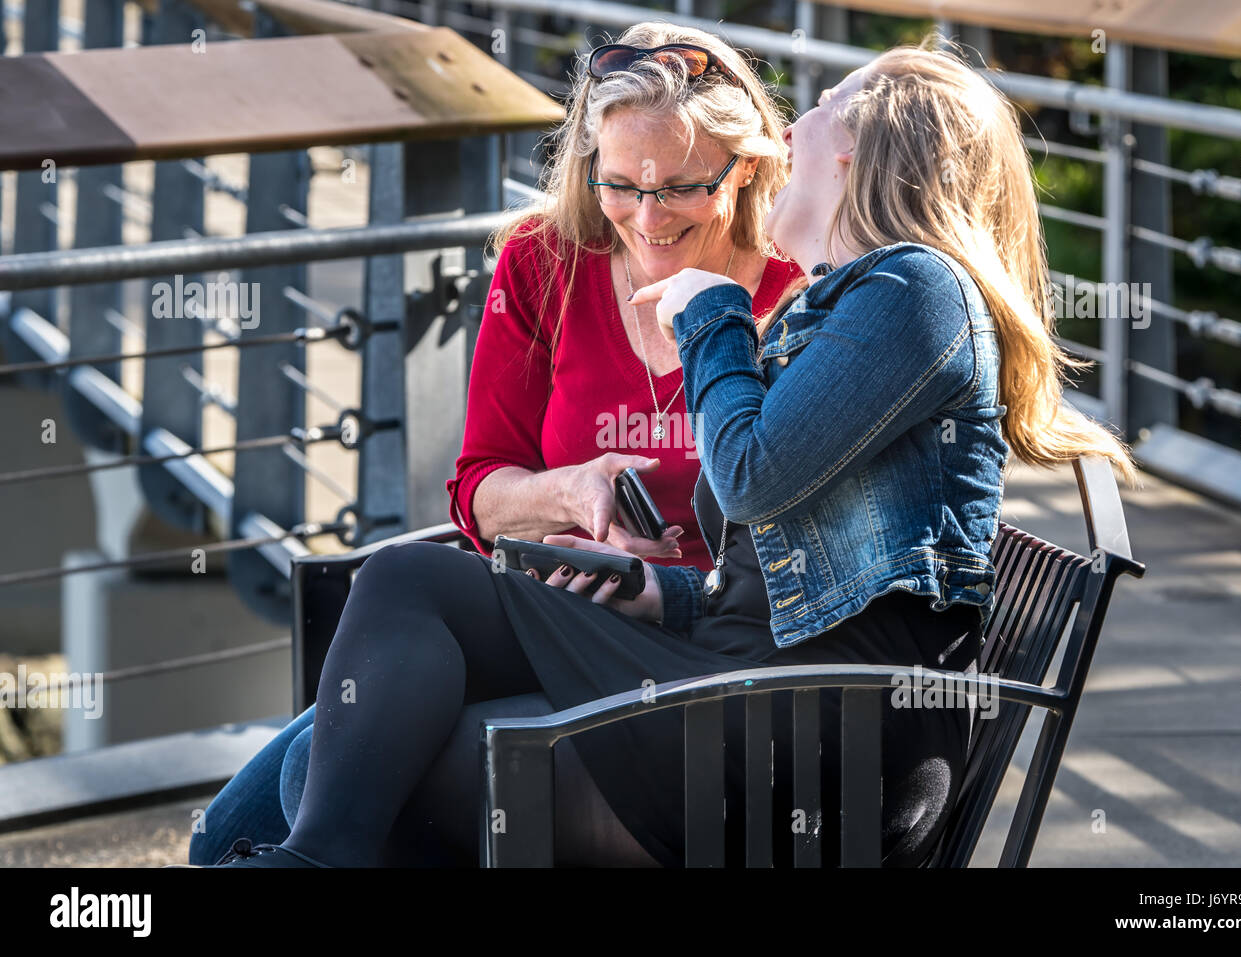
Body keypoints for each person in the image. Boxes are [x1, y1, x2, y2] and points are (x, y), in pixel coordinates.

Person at [209, 37, 1135, 869]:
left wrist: (713, 317)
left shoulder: (915, 290)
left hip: (813, 737)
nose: (796, 117)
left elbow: (754, 472)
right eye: (623, 184)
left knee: (400, 767)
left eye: (822, 103)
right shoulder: (858, 304)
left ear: (847, 153)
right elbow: (780, 577)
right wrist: (656, 590)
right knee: (405, 583)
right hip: (753, 689)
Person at [188, 21, 801, 866]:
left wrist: (675, 578)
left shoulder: (795, 293)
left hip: (690, 648)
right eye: (621, 184)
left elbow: (808, 547)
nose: (647, 218)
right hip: (544, 611)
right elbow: (477, 487)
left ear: (750, 166)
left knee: (317, 776)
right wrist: (569, 491)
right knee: (222, 837)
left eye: (682, 189)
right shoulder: (544, 259)